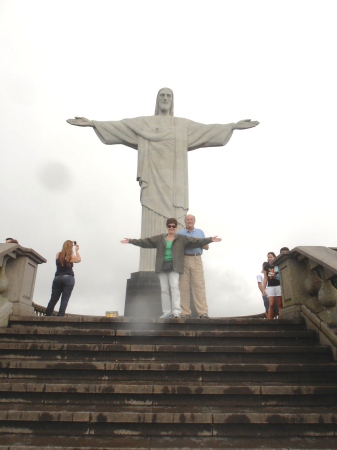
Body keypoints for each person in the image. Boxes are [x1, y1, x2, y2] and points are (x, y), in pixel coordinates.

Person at [67, 88, 258, 271]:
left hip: (176, 185)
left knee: (176, 222)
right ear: (157, 100)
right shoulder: (145, 123)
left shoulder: (182, 125)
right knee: (152, 223)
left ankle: (174, 267)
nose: (165, 98)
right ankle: (150, 268)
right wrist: (93, 123)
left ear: (172, 100)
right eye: (162, 95)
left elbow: (207, 130)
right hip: (152, 181)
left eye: (168, 95)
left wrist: (232, 126)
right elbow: (120, 126)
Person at [120, 218, 221, 318]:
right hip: (163, 266)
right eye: (169, 226)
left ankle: (177, 311)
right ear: (167, 227)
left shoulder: (181, 237)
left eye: (173, 226)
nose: (171, 228)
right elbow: (145, 242)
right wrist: (130, 241)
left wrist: (210, 239)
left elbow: (196, 242)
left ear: (176, 227)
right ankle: (168, 312)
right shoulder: (160, 238)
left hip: (175, 266)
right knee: (165, 289)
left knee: (175, 287)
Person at [177, 214, 209, 318]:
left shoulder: (200, 232)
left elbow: (206, 246)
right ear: (185, 222)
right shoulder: (180, 233)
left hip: (196, 258)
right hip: (184, 258)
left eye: (191, 219)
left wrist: (197, 241)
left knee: (199, 285)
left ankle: (202, 312)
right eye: (187, 219)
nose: (189, 221)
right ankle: (185, 312)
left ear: (194, 221)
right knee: (183, 286)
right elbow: (177, 246)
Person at [45, 240, 81, 317]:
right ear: (71, 247)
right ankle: (60, 316)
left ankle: (48, 314)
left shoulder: (58, 254)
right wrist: (76, 250)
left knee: (53, 298)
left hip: (57, 277)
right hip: (68, 278)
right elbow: (79, 259)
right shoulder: (71, 257)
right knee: (64, 299)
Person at [263, 252, 282, 319]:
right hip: (270, 286)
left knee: (280, 303)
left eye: (271, 257)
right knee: (271, 304)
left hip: (278, 285)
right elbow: (265, 278)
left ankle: (281, 318)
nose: (269, 258)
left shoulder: (278, 264)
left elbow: (280, 275)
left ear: (274, 257)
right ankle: (270, 320)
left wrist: (274, 275)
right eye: (268, 257)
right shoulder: (266, 266)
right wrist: (263, 289)